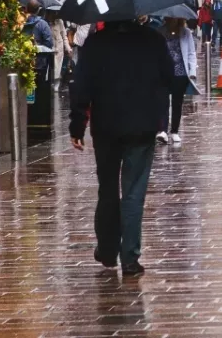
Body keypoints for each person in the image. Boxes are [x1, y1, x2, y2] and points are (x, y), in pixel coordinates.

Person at [69, 18, 173, 276]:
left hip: (106, 126)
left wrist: (77, 125)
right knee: (134, 192)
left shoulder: (95, 44)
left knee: (107, 188)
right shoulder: (153, 40)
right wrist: (159, 115)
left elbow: (81, 86)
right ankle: (130, 257)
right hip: (142, 126)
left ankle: (107, 250)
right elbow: (169, 79)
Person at [158, 17, 197, 145]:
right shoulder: (160, 31)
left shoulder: (186, 32)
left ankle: (174, 131)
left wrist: (192, 72)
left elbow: (191, 53)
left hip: (180, 73)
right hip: (164, 72)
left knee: (177, 103)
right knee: (163, 101)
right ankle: (162, 130)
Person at [48, 9, 69, 91]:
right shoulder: (46, 22)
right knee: (51, 67)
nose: (54, 14)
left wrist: (68, 48)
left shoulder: (60, 21)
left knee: (58, 66)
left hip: (59, 48)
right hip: (50, 48)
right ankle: (51, 83)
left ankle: (57, 84)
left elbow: (64, 36)